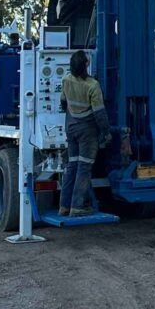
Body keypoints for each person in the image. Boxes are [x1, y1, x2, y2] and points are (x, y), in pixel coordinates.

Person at [59, 50, 111, 216]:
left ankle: (64, 206)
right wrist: (106, 132)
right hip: (87, 132)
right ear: (86, 64)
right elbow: (100, 113)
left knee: (71, 165)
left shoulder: (66, 80)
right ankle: (78, 206)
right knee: (84, 167)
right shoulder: (92, 85)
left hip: (71, 128)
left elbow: (63, 103)